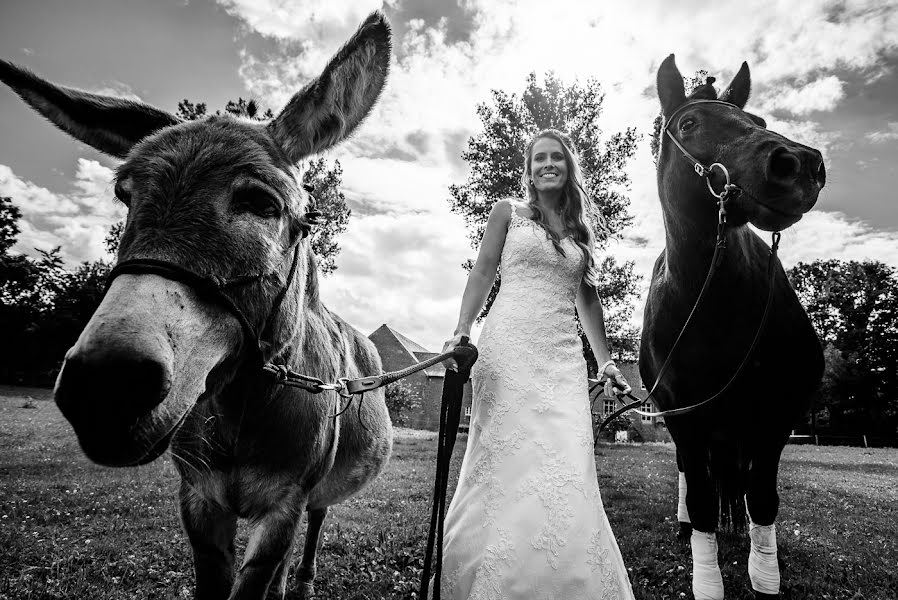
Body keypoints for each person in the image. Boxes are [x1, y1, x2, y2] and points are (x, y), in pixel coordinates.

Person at [438, 129, 636, 599]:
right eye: (539, 159)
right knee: (506, 464)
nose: (548, 164)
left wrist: (605, 360)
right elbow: (483, 271)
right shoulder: (507, 214)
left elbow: (588, 302)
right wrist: (463, 330)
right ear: (528, 170)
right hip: (506, 350)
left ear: (568, 168)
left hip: (562, 359)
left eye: (557, 158)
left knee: (568, 461)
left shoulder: (580, 233)